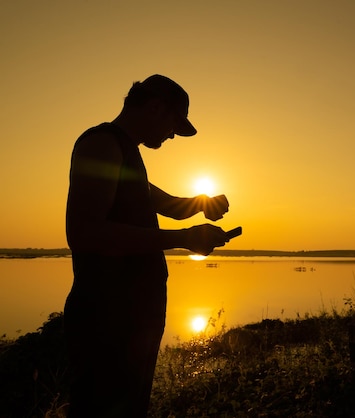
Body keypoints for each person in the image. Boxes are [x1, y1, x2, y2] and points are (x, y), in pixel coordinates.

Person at [64, 74, 230, 417]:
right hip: (106, 320)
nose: (172, 135)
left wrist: (202, 203)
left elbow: (167, 204)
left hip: (130, 322)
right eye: (174, 124)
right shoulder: (102, 145)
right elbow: (86, 232)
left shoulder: (125, 154)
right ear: (155, 107)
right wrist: (184, 239)